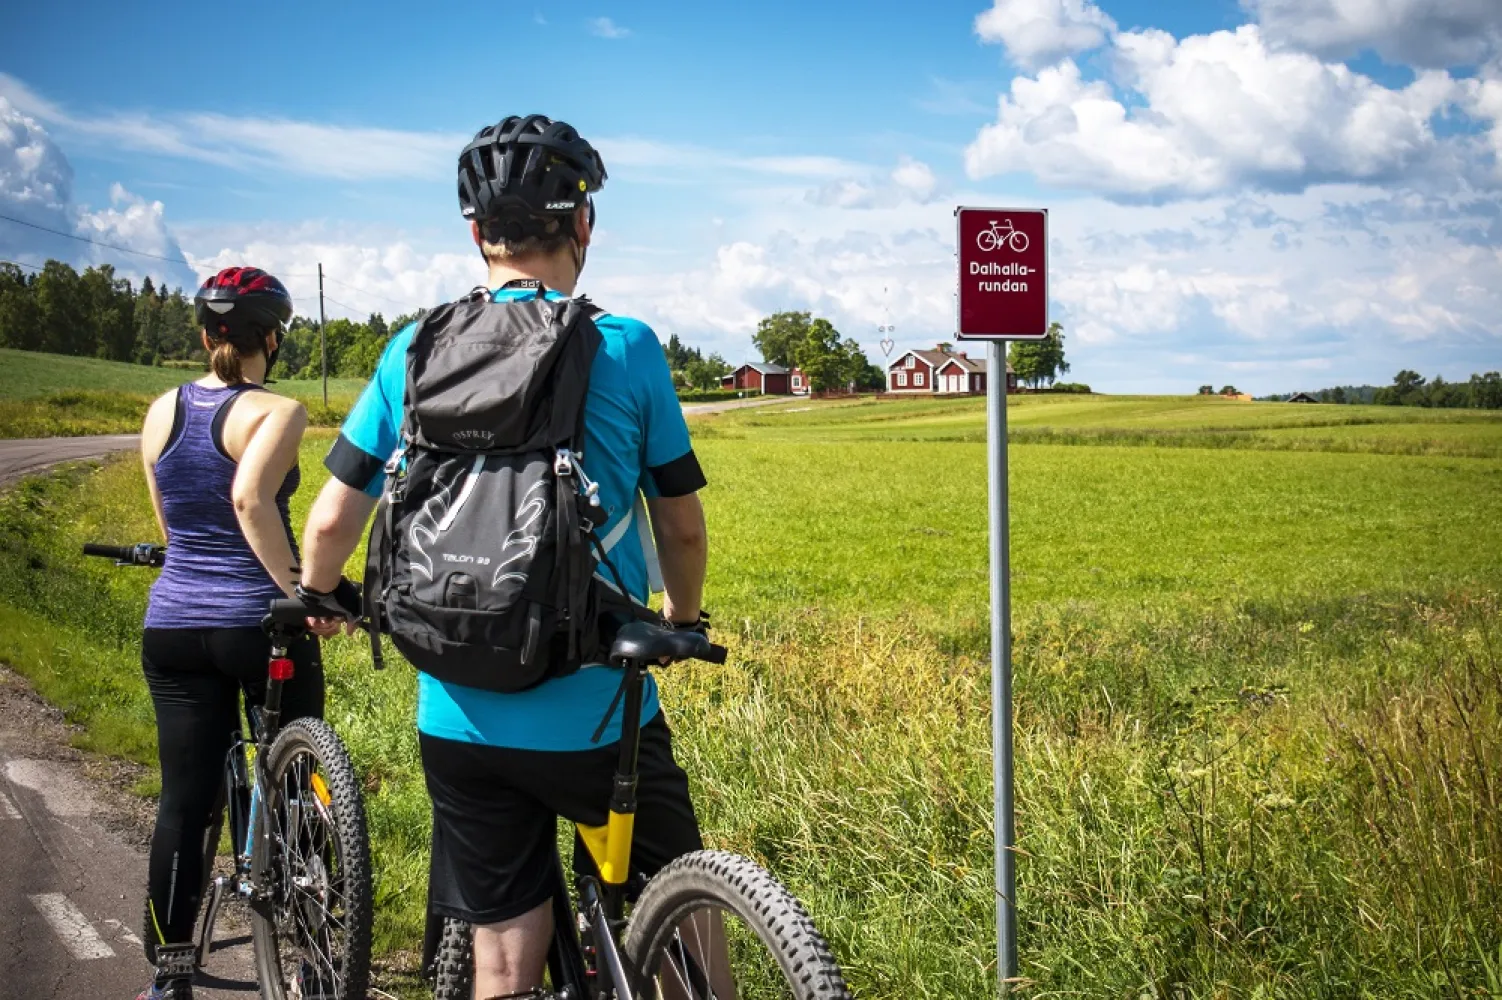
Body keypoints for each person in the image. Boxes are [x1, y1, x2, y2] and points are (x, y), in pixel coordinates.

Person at [295, 115, 722, 997]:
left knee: (500, 955)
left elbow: (333, 516)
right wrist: (682, 618)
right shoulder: (626, 347)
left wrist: (323, 594)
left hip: (458, 716)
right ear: (584, 226)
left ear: (475, 231)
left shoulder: (410, 349)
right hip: (595, 711)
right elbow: (679, 525)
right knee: (680, 925)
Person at [135, 267, 322, 1000]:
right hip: (255, 623)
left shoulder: (160, 411)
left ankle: (168, 977)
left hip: (174, 625)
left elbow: (171, 523)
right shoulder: (278, 410)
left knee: (183, 800)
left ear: (207, 334)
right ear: (269, 338)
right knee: (301, 787)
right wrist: (302, 593)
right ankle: (311, 963)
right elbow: (250, 500)